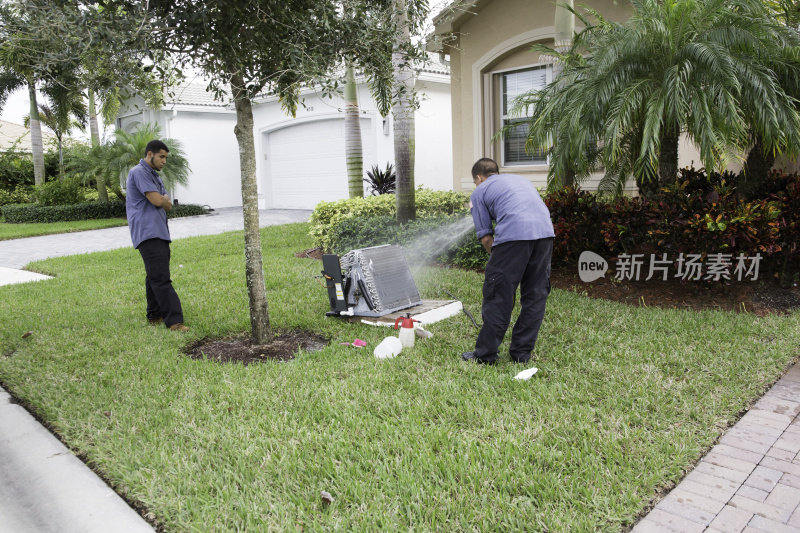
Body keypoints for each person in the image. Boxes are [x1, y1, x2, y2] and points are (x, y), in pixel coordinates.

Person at [461, 158, 554, 365]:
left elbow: (486, 237)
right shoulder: (520, 181)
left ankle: (485, 355)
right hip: (545, 233)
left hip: (514, 235)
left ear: (478, 177)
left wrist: (497, 264)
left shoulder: (479, 191)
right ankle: (521, 353)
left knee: (498, 294)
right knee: (535, 295)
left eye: (476, 181)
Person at [125, 140, 189, 332]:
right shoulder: (139, 172)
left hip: (158, 231)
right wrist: (162, 200)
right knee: (161, 277)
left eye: (166, 158)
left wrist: (163, 201)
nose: (164, 161)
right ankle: (174, 321)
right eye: (161, 156)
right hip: (148, 232)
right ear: (149, 154)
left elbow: (167, 202)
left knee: (154, 275)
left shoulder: (154, 176)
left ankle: (154, 314)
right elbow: (157, 199)